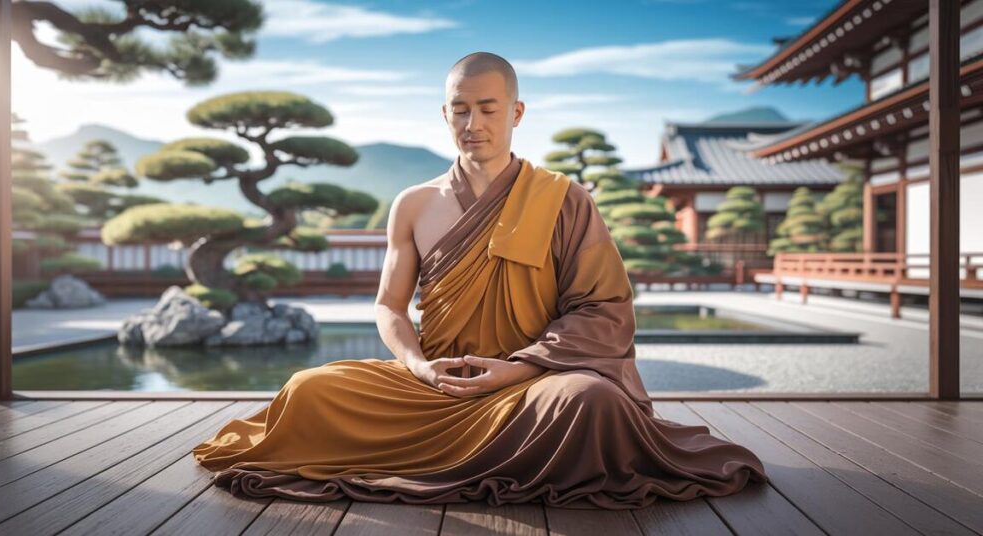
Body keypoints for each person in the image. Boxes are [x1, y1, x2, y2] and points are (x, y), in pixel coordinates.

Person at [192, 51, 769, 509]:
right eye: (460, 109)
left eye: (489, 109)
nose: (474, 124)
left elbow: (604, 310)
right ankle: (488, 451)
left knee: (591, 402)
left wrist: (521, 366)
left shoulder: (563, 200)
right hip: (436, 385)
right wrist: (417, 366)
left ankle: (451, 451)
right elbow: (390, 308)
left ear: (517, 113)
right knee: (309, 388)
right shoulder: (413, 204)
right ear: (444, 114)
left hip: (531, 384)